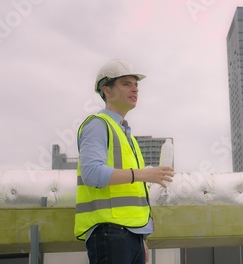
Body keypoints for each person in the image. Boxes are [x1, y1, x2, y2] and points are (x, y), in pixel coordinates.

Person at [74, 58, 174, 264]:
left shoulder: (126, 135)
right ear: (107, 91)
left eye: (136, 85)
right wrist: (145, 174)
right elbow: (92, 173)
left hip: (129, 235)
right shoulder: (98, 125)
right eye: (126, 84)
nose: (135, 89)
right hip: (110, 232)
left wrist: (140, 239)